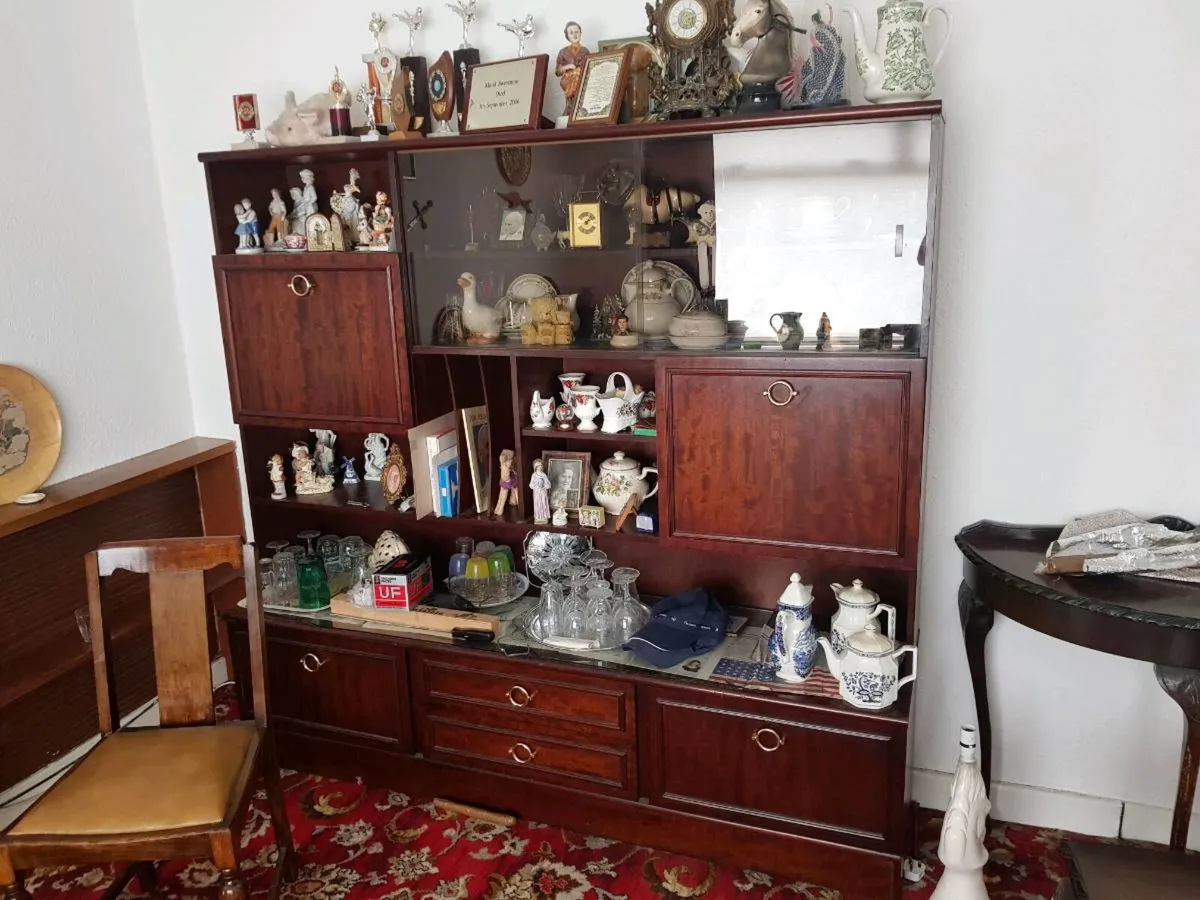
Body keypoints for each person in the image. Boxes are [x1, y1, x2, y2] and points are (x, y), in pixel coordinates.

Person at [556, 22, 589, 116]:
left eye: (576, 32)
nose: (574, 35)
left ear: (580, 33)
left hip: (581, 80)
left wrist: (579, 71)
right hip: (567, 80)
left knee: (580, 78)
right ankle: (571, 108)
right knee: (574, 79)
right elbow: (557, 72)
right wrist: (567, 67)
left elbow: (589, 67)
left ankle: (576, 108)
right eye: (571, 32)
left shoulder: (585, 51)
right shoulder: (563, 52)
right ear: (567, 35)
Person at [530, 460, 552, 524]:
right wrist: (536, 486)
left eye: (541, 466)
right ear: (535, 467)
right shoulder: (534, 475)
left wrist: (544, 486)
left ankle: (544, 516)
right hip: (537, 492)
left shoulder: (543, 475)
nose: (540, 467)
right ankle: (538, 516)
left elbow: (548, 484)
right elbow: (531, 484)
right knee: (537, 504)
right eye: (538, 466)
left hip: (543, 492)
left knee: (543, 503)